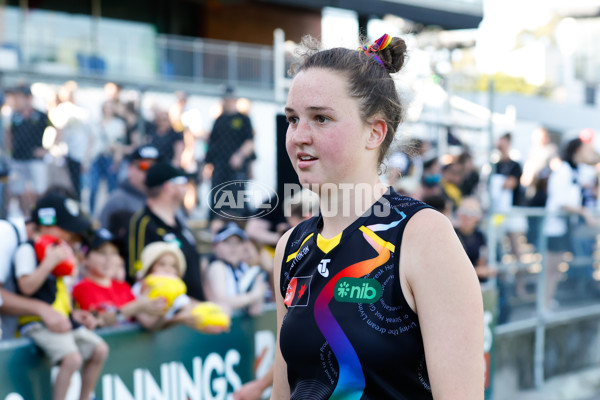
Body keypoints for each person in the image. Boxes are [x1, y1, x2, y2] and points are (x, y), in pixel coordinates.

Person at [270, 34, 483, 399]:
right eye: (293, 119)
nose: (299, 136)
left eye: (321, 118)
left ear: (375, 131)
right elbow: (284, 390)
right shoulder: (290, 247)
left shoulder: (422, 236)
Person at [14, 193, 109, 400]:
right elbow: (27, 287)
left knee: (99, 349)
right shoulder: (28, 249)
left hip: (62, 321)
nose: (70, 238)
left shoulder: (60, 253)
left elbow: (59, 297)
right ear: (46, 225)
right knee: (72, 359)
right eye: (67, 230)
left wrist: (74, 314)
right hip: (37, 323)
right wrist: (49, 262)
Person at [126, 162, 205, 301]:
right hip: (169, 312)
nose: (186, 187)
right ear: (168, 187)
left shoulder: (179, 222)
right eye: (183, 182)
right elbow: (137, 273)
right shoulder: (144, 223)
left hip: (193, 308)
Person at [73, 228, 166, 328]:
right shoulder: (81, 288)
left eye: (114, 253)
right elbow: (97, 321)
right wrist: (136, 307)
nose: (108, 259)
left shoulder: (124, 287)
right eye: (101, 252)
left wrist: (164, 306)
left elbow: (149, 323)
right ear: (84, 258)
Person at [544, 138, 597, 309]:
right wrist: (584, 212)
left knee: (556, 269)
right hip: (555, 227)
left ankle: (547, 302)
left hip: (564, 226)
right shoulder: (564, 171)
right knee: (551, 269)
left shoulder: (575, 171)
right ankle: (544, 304)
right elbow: (561, 201)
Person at [204, 86, 255, 218]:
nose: (227, 101)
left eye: (229, 98)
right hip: (219, 167)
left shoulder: (243, 119)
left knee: (236, 200)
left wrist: (240, 155)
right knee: (217, 199)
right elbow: (212, 144)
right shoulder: (219, 120)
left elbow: (249, 142)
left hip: (236, 168)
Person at [98, 145, 161, 252]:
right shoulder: (117, 202)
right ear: (130, 168)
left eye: (155, 167)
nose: (150, 172)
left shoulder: (163, 198)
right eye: (144, 166)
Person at [5, 84, 51, 215]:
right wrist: (9, 150)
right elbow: (9, 133)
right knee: (18, 190)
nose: (16, 101)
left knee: (39, 190)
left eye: (19, 97)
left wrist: (47, 149)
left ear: (28, 98)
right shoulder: (13, 116)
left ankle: (37, 214)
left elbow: (57, 130)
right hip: (18, 158)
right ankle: (25, 215)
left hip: (35, 160)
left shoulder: (41, 115)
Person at [204, 223, 267, 316]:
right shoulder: (217, 266)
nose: (233, 247)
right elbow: (223, 302)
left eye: (238, 242)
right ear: (215, 246)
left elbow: (256, 310)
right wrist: (254, 295)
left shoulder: (245, 268)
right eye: (227, 242)